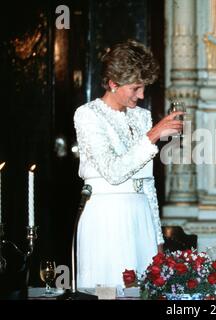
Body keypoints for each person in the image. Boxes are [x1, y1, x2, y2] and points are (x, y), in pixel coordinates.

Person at [73, 40, 183, 288]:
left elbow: (148, 182)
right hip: (106, 217)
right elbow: (113, 172)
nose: (142, 95)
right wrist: (154, 135)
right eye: (135, 88)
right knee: (108, 290)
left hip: (141, 216)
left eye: (144, 88)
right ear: (113, 83)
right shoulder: (88, 114)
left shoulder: (142, 117)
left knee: (144, 290)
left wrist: (157, 237)